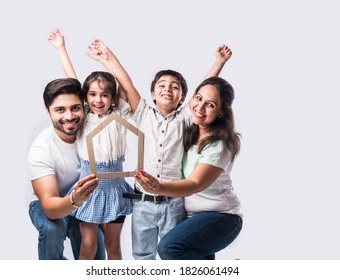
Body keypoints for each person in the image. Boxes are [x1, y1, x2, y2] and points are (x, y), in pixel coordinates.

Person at [87, 39, 232, 259]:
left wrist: (218, 63)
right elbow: (126, 83)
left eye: (175, 87)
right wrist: (107, 56)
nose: (168, 89)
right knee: (142, 255)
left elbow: (204, 91)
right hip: (142, 202)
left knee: (172, 254)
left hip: (173, 203)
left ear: (184, 98)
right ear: (153, 94)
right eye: (162, 86)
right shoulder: (143, 113)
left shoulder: (185, 118)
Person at [48, 28, 133, 260]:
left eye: (104, 95)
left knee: (113, 245)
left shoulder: (120, 114)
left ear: (112, 99)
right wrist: (61, 48)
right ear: (85, 97)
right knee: (88, 246)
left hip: (115, 187)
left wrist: (107, 57)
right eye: (93, 94)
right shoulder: (83, 115)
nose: (98, 100)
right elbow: (72, 80)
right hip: (90, 186)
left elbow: (126, 85)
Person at [135, 76, 243, 260]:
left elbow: (195, 183)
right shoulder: (190, 132)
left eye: (210, 105)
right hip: (192, 218)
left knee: (170, 248)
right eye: (198, 98)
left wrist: (159, 188)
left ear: (221, 112)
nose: (200, 107)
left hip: (221, 217)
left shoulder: (219, 145)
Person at [28, 77, 106, 260]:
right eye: (60, 110)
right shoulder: (41, 148)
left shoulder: (90, 126)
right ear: (48, 112)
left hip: (84, 205)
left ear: (84, 107)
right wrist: (74, 199)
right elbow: (49, 206)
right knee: (52, 228)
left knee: (96, 258)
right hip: (50, 203)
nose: (69, 116)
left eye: (75, 108)